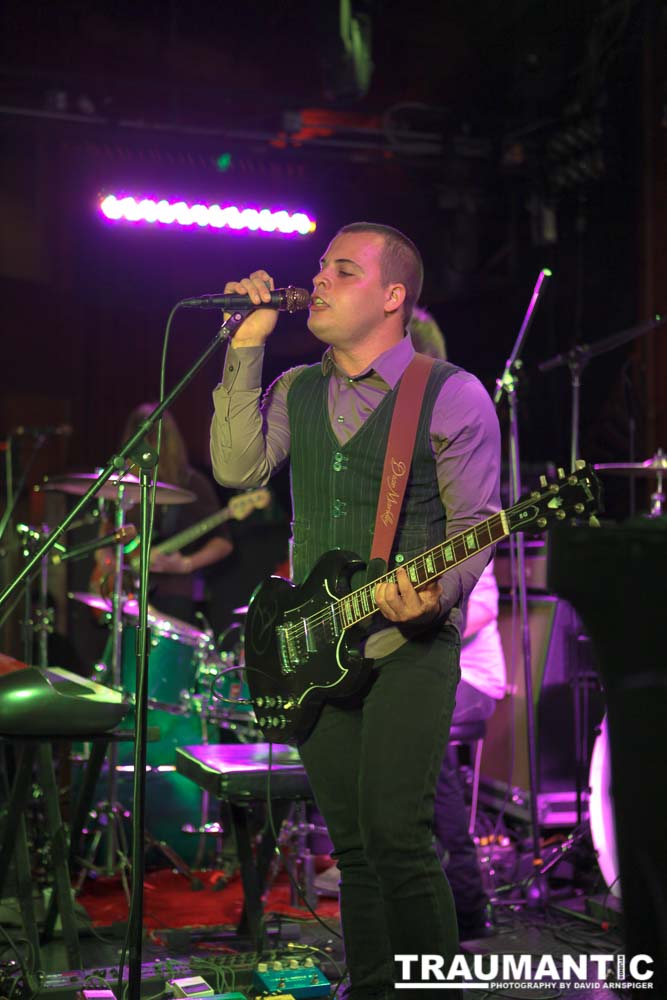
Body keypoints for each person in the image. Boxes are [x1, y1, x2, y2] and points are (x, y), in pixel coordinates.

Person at [210, 222, 501, 997]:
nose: (320, 281)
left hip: (409, 644)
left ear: (393, 296)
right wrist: (245, 346)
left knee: (397, 839)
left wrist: (434, 594)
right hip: (313, 648)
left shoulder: (449, 393)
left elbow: (475, 525)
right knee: (355, 850)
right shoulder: (294, 387)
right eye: (320, 267)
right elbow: (235, 467)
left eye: (343, 271)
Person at [408, 308, 506, 941]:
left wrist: (427, 611)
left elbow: (485, 604)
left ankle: (467, 900)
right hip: (427, 661)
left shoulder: (454, 477)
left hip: (471, 676)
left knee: (423, 734)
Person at [95, 404, 233, 625]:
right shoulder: (123, 483)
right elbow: (107, 528)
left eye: (151, 438)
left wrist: (186, 563)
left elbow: (223, 542)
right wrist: (105, 561)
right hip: (128, 591)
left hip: (174, 593)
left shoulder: (192, 484)